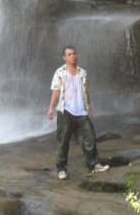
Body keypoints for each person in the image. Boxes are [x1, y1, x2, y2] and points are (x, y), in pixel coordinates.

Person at [47, 46, 109, 180]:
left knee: (90, 137)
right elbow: (56, 91)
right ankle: (61, 169)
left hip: (81, 112)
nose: (72, 56)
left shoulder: (83, 73)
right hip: (65, 111)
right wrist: (51, 108)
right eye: (69, 54)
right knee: (63, 141)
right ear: (64, 57)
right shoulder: (60, 72)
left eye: (74, 54)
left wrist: (89, 109)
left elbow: (86, 92)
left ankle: (95, 164)